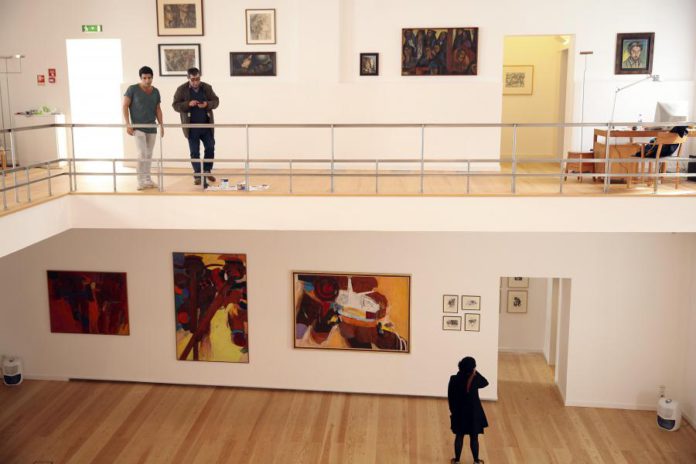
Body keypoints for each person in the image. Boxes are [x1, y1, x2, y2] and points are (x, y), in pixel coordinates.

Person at [172, 67, 220, 185]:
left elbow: (216, 101)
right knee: (194, 152)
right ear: (188, 78)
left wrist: (207, 104)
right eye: (193, 79)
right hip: (191, 127)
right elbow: (175, 105)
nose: (195, 82)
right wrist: (188, 104)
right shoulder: (181, 89)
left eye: (197, 79)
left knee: (210, 147)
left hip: (206, 126)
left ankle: (207, 170)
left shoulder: (207, 88)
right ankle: (198, 174)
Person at [122, 66, 164, 190]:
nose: (147, 80)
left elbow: (158, 109)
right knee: (142, 153)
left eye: (149, 78)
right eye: (144, 78)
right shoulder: (132, 89)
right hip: (138, 127)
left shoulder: (155, 91)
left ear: (152, 78)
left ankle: (148, 179)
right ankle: (140, 181)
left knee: (149, 154)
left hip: (151, 127)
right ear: (140, 78)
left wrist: (161, 125)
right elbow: (125, 106)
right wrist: (128, 124)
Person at [448, 356, 489, 464]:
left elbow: (451, 397)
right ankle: (476, 461)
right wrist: (475, 372)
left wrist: (453, 411)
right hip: (473, 414)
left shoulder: (454, 379)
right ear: (472, 368)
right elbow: (485, 382)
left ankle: (457, 460)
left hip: (459, 413)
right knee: (474, 438)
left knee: (459, 436)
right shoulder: (475, 379)